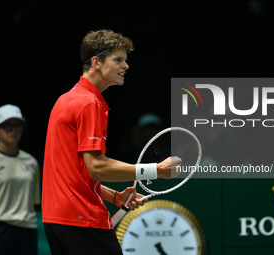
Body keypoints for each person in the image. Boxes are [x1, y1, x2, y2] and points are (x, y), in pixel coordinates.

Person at [42, 29, 180, 255]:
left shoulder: (65, 99)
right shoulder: (88, 103)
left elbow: (74, 172)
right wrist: (156, 170)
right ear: (96, 62)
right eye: (118, 60)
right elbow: (97, 167)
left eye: (125, 60)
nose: (126, 66)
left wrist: (113, 196)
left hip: (56, 220)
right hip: (81, 219)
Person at [0, 104, 40, 255]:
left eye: (18, 125)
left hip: (27, 231)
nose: (13, 130)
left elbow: (34, 201)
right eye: (7, 126)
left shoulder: (32, 163)